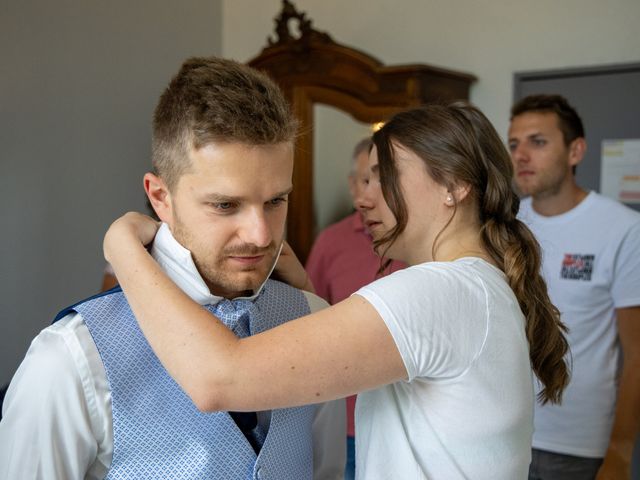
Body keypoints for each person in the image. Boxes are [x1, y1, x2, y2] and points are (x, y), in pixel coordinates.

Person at [103, 102, 571, 479]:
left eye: (383, 177)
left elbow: (218, 380)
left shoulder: (437, 294)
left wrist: (123, 247)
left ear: (454, 186)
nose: (364, 196)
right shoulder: (478, 287)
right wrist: (304, 289)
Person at [0, 57, 346, 479]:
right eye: (225, 205)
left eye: (276, 201)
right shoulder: (71, 358)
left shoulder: (315, 321)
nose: (260, 234)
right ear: (160, 197)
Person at [508, 94, 640, 480]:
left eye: (538, 141)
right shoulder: (509, 225)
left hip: (578, 444)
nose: (521, 155)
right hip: (505, 429)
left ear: (575, 150)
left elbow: (636, 354)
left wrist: (619, 453)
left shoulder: (622, 229)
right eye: (514, 144)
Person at [305, 137, 405, 479]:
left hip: (404, 419)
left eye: (381, 182)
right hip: (345, 420)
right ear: (351, 185)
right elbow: (310, 319)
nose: (368, 196)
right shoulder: (331, 242)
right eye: (364, 181)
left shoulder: (416, 246)